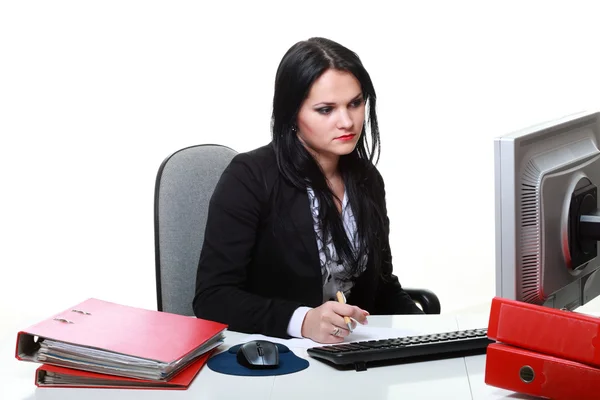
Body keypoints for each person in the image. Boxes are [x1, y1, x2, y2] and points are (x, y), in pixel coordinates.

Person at [193, 37, 422, 344]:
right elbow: (213, 298)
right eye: (326, 109)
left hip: (350, 352)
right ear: (292, 114)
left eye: (355, 103)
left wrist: (435, 332)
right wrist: (301, 321)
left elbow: (381, 288)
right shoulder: (248, 177)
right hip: (277, 357)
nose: (347, 121)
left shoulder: (366, 179)